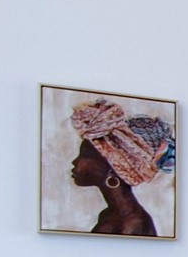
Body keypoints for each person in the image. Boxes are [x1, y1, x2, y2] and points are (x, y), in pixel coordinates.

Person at [69, 100, 176, 236]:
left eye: (85, 155)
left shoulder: (135, 224)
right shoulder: (109, 215)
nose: (75, 162)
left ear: (114, 166)